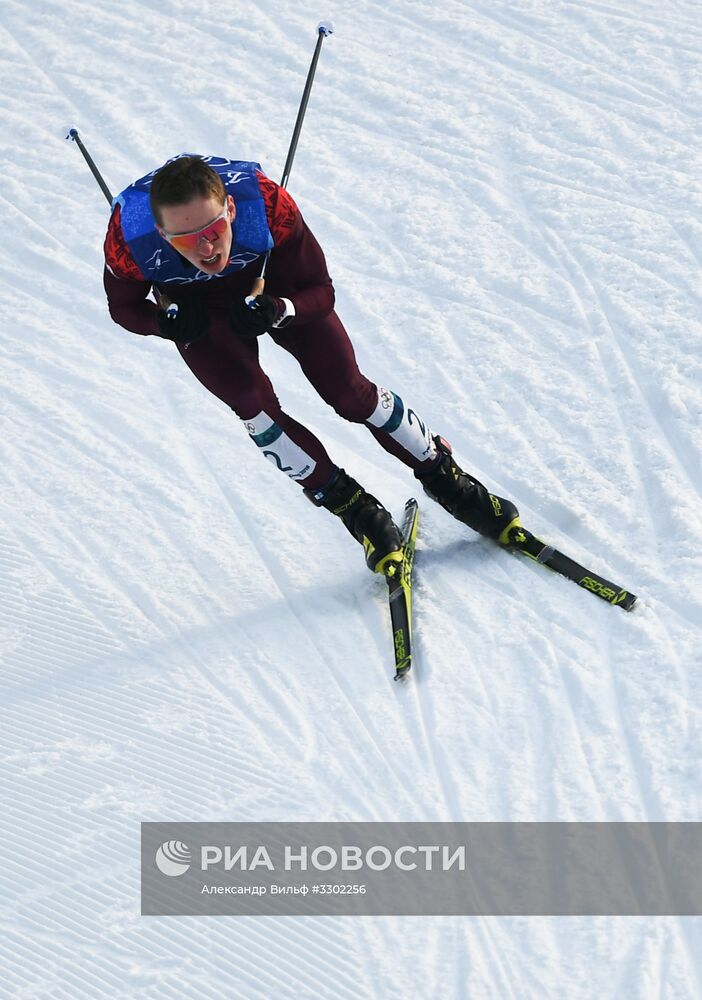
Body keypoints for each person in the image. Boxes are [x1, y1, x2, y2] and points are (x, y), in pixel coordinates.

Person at [103, 153, 520, 573]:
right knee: (255, 409)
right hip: (199, 312)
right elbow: (123, 308)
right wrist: (164, 322)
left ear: (230, 208)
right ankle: (357, 511)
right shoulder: (128, 241)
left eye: (213, 230)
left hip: (273, 283)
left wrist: (280, 309)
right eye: (185, 240)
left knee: (348, 392)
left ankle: (447, 478)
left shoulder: (267, 205)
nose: (207, 248)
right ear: (161, 232)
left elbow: (321, 290)